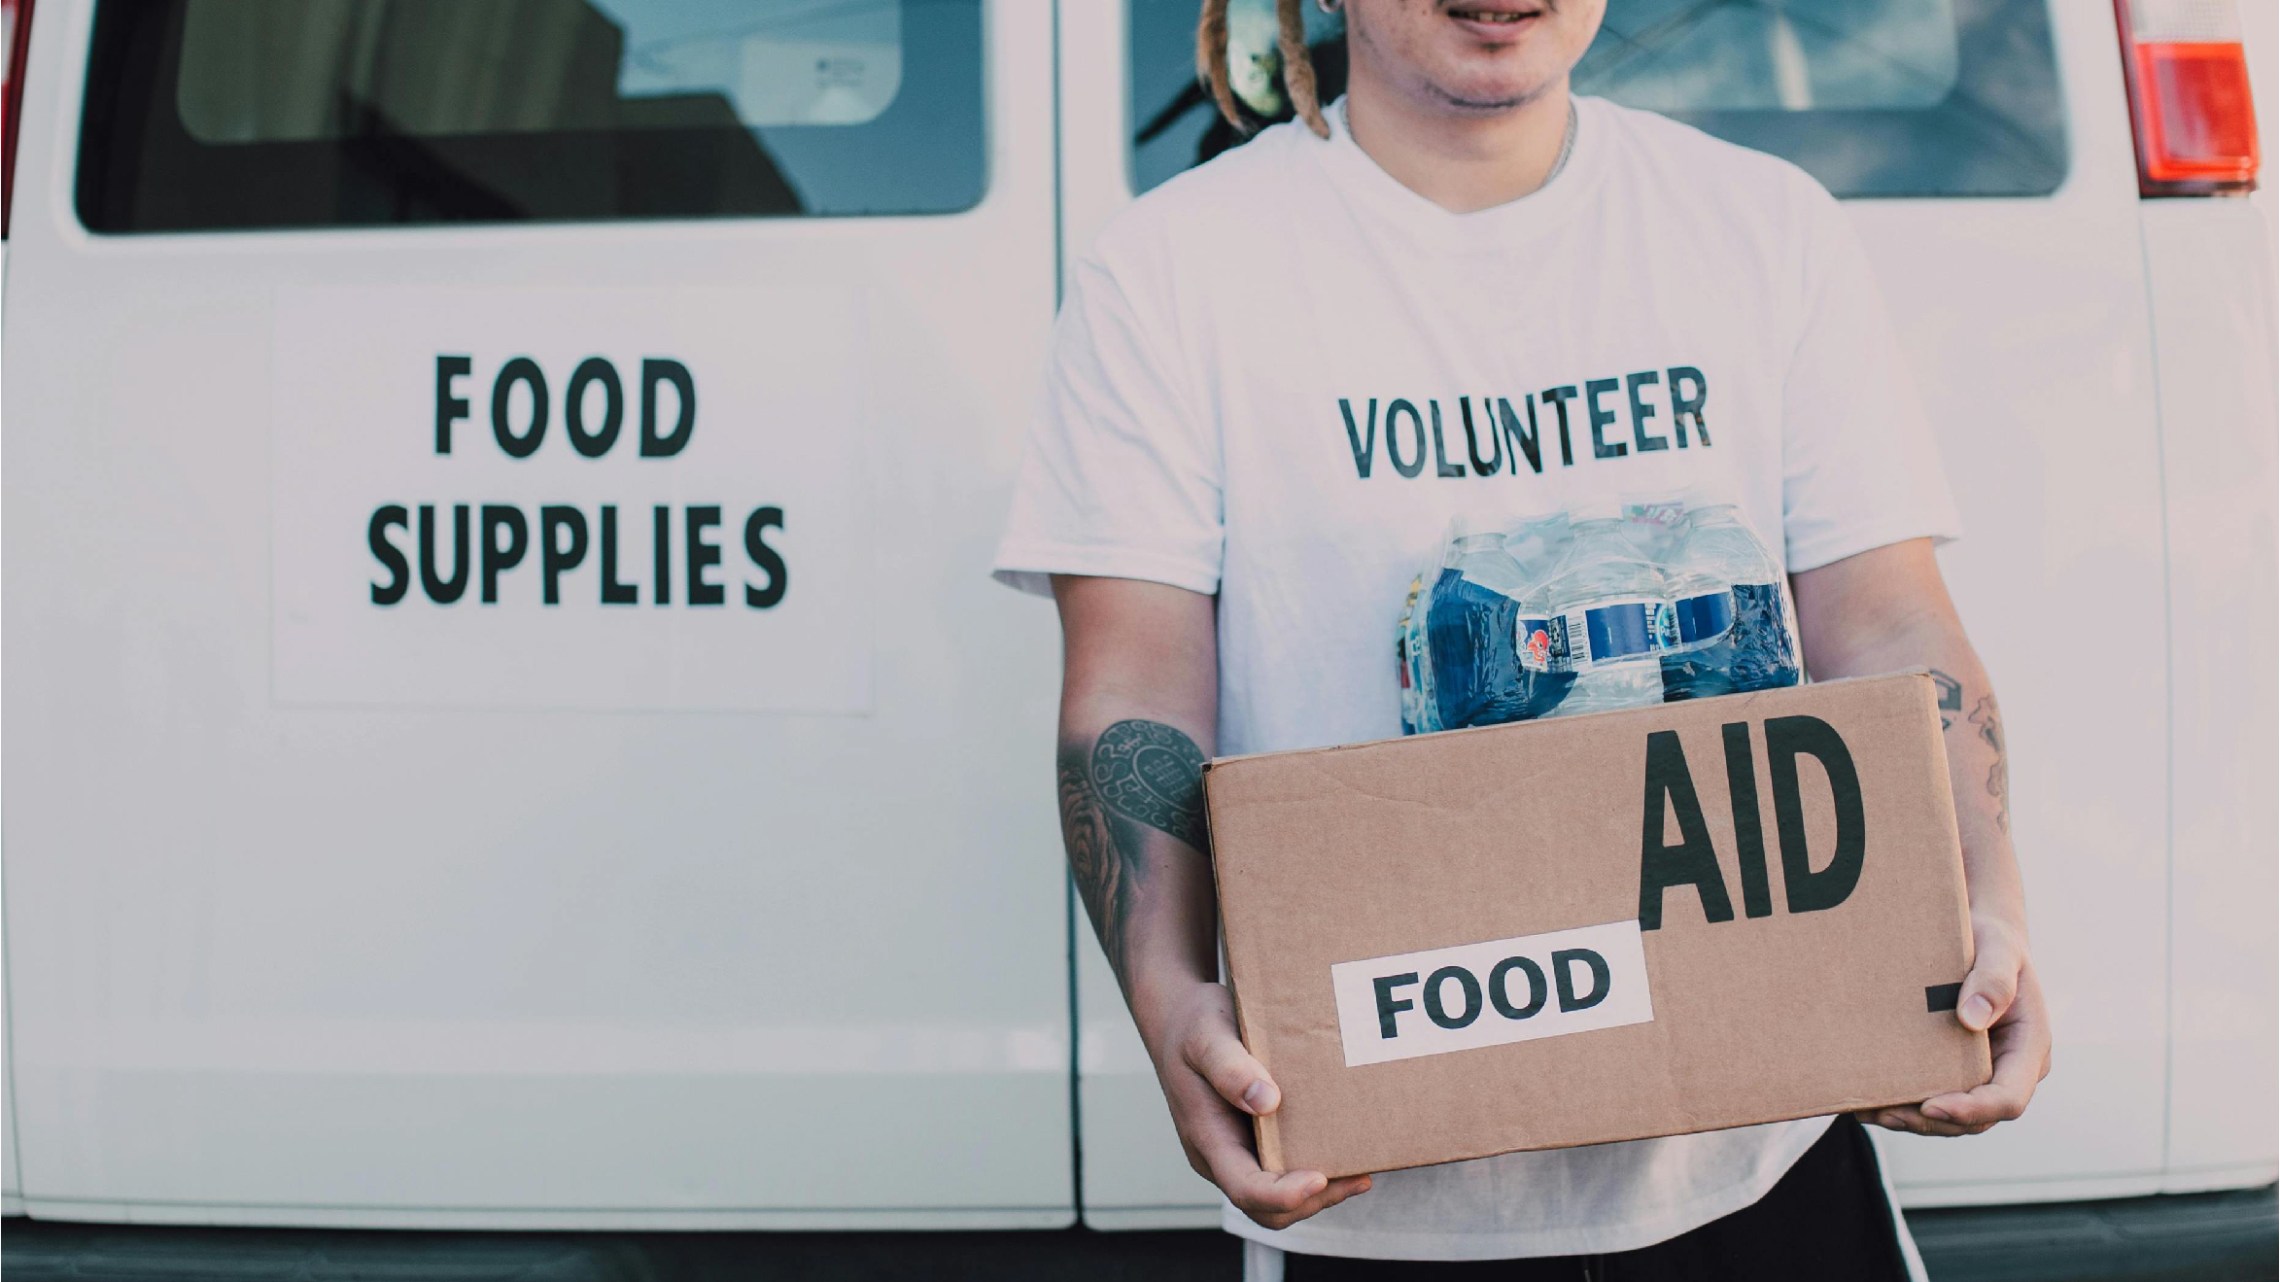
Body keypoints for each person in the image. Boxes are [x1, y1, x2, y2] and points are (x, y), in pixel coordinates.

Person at [993, 1, 2052, 1277]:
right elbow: (1132, 687)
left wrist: (1986, 904)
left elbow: (1887, 619)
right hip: (1378, 1190)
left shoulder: (1762, 228)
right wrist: (1171, 1004)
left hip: (1768, 1157)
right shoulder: (1170, 273)